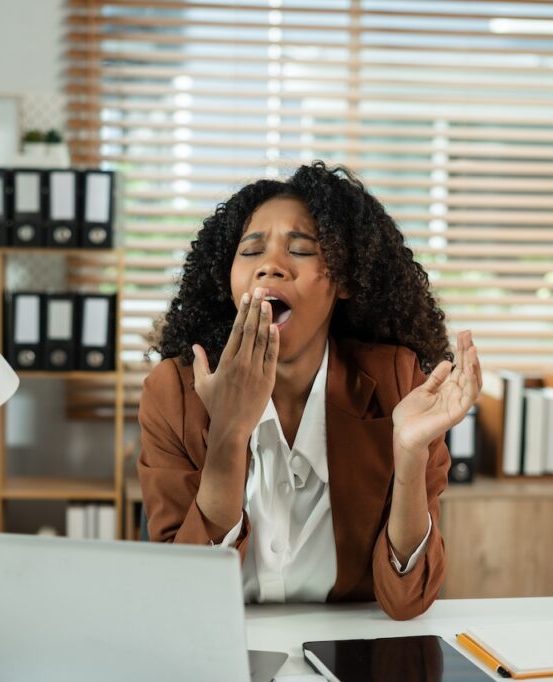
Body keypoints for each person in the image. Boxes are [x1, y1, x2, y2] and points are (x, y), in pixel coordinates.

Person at [138, 161, 481, 620]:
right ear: (228, 279)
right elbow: (178, 601)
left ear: (342, 279)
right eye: (250, 252)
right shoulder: (175, 393)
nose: (270, 267)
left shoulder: (398, 383)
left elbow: (407, 602)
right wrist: (228, 433)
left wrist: (411, 453)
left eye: (300, 251)